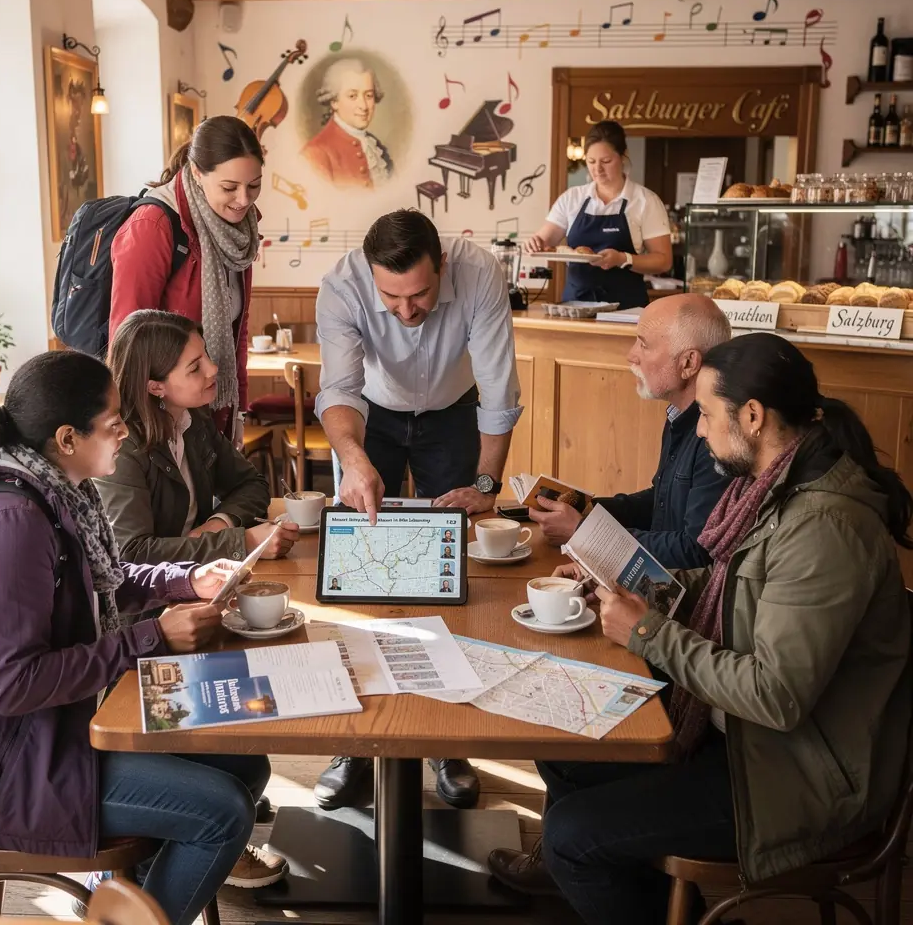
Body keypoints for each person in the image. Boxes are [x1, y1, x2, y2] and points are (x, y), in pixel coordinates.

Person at [494, 332, 912, 924]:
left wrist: (648, 634)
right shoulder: (776, 487)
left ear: (753, 416)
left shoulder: (824, 529)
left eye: (709, 415)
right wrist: (634, 582)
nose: (699, 430)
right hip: (748, 744)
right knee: (562, 745)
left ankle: (616, 883)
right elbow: (733, 589)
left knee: (569, 835)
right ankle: (635, 891)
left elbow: (777, 695)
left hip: (796, 778)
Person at [0, 351, 289, 925]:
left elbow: (102, 588)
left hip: (48, 733)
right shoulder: (10, 525)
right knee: (224, 811)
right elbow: (15, 686)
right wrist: (151, 638)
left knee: (245, 765)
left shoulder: (59, 492)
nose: (125, 431)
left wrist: (187, 579)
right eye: (114, 421)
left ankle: (129, 894)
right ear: (67, 437)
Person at [313, 207, 523, 811]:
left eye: (421, 293)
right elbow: (339, 388)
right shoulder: (343, 285)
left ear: (444, 266)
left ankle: (446, 741)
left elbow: (498, 387)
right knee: (362, 575)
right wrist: (352, 459)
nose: (407, 311)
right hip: (367, 419)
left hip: (453, 412)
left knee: (448, 574)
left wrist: (486, 482)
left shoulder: (480, 272)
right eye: (392, 297)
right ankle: (352, 743)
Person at [529, 293, 731, 569]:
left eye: (644, 345)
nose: (631, 355)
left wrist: (585, 534)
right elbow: (660, 502)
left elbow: (694, 551)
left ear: (688, 363)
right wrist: (587, 511)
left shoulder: (716, 437)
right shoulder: (679, 414)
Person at [99, 310, 298, 565]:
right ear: (156, 387)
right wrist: (244, 542)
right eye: (195, 367)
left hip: (201, 577)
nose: (213, 368)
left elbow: (251, 484)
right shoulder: (121, 446)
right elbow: (133, 553)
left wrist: (217, 524)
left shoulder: (194, 420)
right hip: (153, 599)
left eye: (206, 354)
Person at [109, 115, 264, 440]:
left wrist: (238, 408)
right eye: (229, 187)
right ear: (196, 172)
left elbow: (238, 327)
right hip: (162, 418)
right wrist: (145, 434)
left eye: (253, 185)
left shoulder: (238, 230)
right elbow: (127, 345)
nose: (244, 200)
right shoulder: (153, 226)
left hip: (212, 404)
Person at [525, 120, 672, 309]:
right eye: (591, 161)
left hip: (626, 308)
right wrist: (535, 243)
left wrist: (623, 259)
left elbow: (663, 260)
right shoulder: (572, 198)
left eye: (606, 161)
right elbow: (545, 241)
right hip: (576, 306)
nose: (597, 169)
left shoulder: (645, 201)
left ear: (623, 157)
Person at [301, 58, 392, 189]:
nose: (363, 106)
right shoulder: (315, 153)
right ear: (334, 101)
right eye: (352, 96)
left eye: (369, 95)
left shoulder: (376, 147)